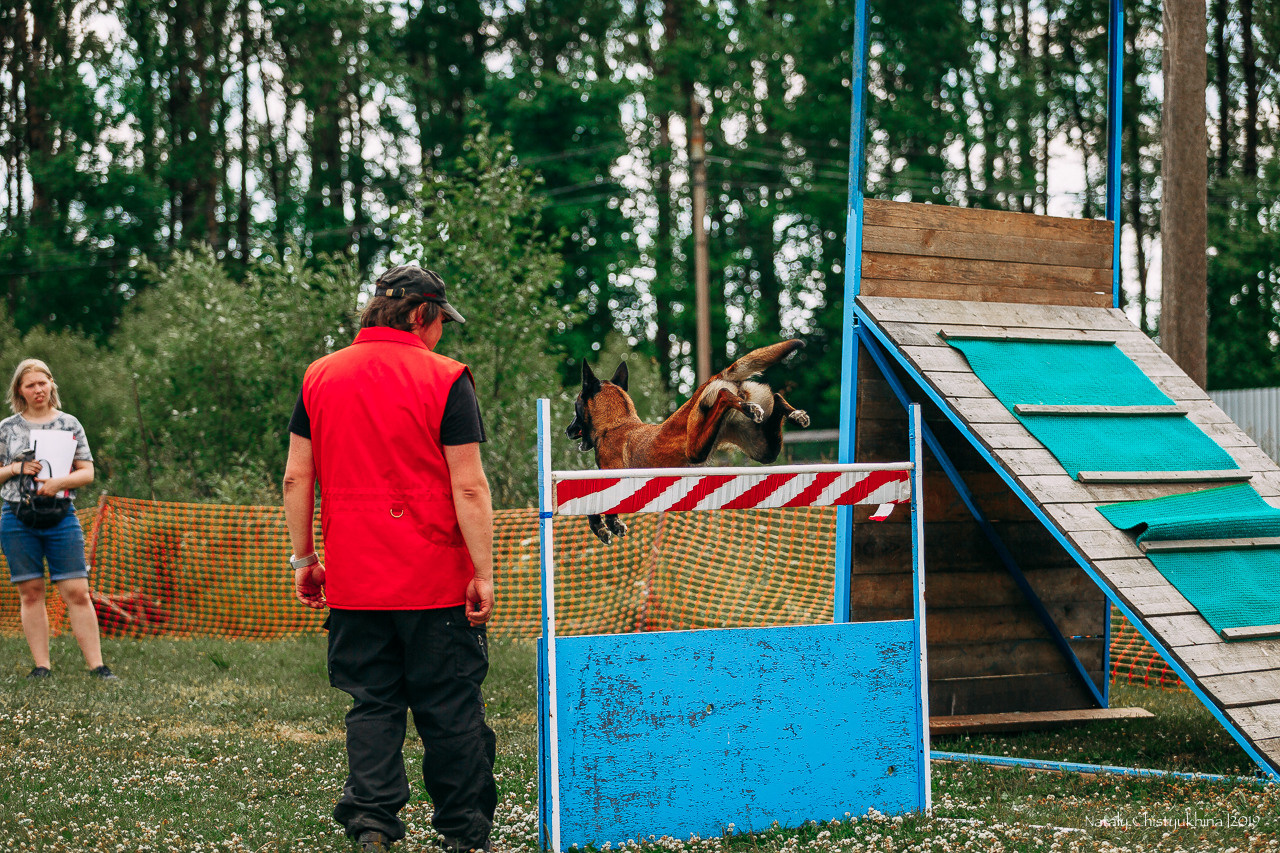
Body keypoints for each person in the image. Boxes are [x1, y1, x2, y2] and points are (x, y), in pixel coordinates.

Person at [282, 264, 497, 853]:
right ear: (421, 314)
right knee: (450, 707)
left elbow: (297, 476)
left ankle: (373, 823)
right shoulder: (447, 379)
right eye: (440, 322)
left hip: (354, 583)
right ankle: (462, 833)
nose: (442, 335)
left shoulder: (319, 376)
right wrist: (484, 572)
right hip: (435, 581)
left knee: (372, 705)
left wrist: (305, 559)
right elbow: (471, 487)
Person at [0, 358, 117, 681]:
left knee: (77, 591)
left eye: (43, 382)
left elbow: (88, 472)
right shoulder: (7, 428)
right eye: (30, 385)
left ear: (52, 384)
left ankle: (98, 667)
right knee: (31, 591)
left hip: (61, 516)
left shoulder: (69, 424)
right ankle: (42, 667)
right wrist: (15, 469)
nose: (38, 389)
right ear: (19, 391)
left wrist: (58, 484)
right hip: (16, 516)